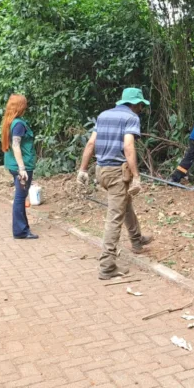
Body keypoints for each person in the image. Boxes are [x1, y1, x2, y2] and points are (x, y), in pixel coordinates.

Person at [76, 87, 153, 280]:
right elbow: (128, 146)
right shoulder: (131, 118)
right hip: (117, 173)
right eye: (140, 105)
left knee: (125, 204)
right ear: (135, 104)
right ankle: (107, 266)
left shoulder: (103, 115)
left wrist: (82, 169)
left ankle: (137, 240)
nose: (141, 109)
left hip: (101, 170)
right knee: (114, 217)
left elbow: (91, 143)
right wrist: (136, 175)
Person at [2, 94, 38, 240]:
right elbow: (16, 146)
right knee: (20, 197)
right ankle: (20, 231)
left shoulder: (10, 121)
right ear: (20, 107)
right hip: (21, 167)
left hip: (14, 164)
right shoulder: (18, 124)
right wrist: (22, 168)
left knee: (20, 195)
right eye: (25, 104)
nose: (26, 106)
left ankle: (22, 227)